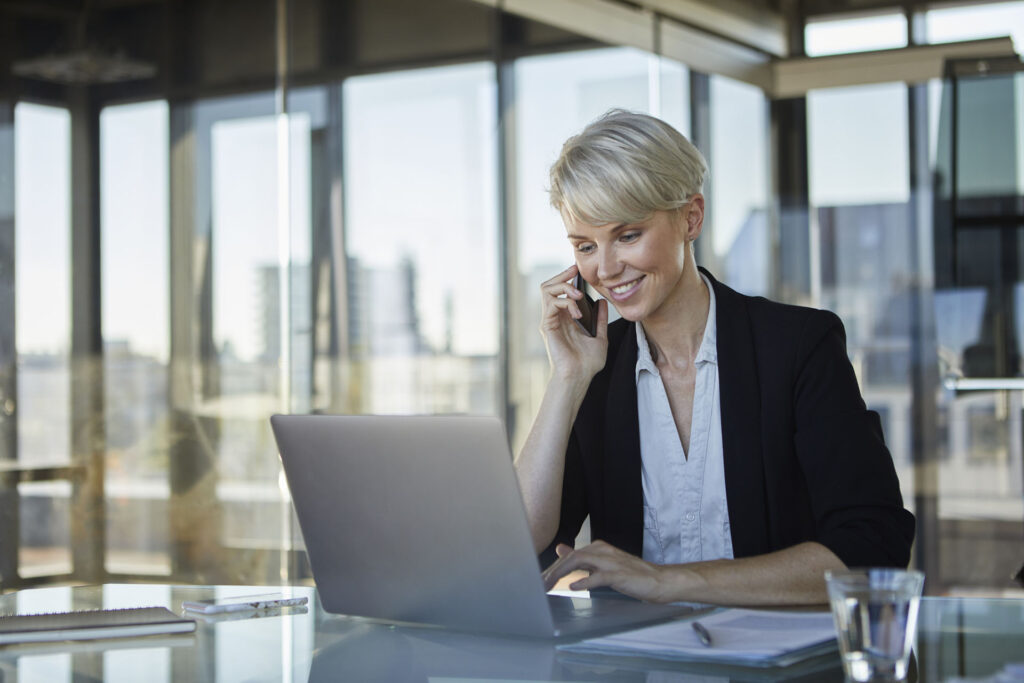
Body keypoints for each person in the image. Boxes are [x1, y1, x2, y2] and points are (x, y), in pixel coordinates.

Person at [515, 109, 915, 606]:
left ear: (691, 217)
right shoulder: (596, 372)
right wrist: (567, 379)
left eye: (627, 235)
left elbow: (874, 547)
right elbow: (516, 547)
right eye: (584, 246)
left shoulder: (797, 347)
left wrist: (668, 581)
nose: (605, 268)